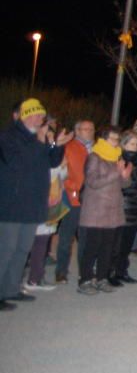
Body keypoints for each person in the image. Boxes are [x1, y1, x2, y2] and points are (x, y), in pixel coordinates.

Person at [0, 99, 72, 310]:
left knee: (23, 249)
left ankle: (11, 289)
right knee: (7, 250)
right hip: (11, 205)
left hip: (32, 204)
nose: (41, 119)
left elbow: (51, 161)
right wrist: (42, 143)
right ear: (25, 116)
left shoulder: (36, 139)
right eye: (37, 115)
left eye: (42, 116)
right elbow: (19, 163)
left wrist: (57, 145)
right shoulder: (8, 137)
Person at [77, 126, 130, 295]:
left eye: (118, 139)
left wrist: (125, 176)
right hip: (96, 209)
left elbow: (123, 185)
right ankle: (85, 280)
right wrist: (116, 172)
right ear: (103, 139)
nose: (116, 143)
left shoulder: (116, 157)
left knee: (108, 247)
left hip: (113, 209)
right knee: (92, 246)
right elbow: (92, 182)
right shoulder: (95, 157)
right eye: (114, 139)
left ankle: (102, 278)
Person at [110, 130, 137, 285]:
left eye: (136, 144)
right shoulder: (119, 158)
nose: (134, 147)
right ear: (123, 143)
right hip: (124, 204)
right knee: (118, 242)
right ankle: (111, 272)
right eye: (131, 143)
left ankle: (122, 271)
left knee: (127, 242)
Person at [55, 119, 94, 284]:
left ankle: (84, 272)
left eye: (92, 129)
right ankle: (61, 272)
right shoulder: (69, 147)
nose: (90, 132)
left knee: (86, 239)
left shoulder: (97, 149)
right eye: (86, 129)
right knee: (66, 238)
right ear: (77, 131)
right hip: (72, 197)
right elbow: (60, 172)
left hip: (91, 199)